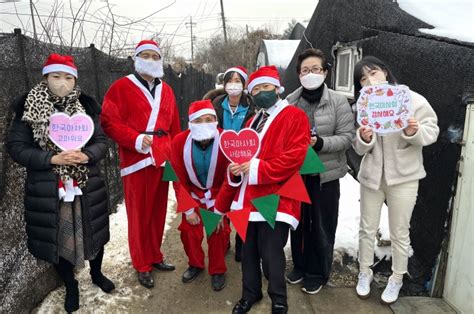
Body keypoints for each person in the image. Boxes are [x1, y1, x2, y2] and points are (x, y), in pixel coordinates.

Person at [6, 53, 115, 312]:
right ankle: (70, 284)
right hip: (49, 188)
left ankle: (96, 274)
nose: (62, 82)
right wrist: (51, 158)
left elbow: (101, 141)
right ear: (45, 76)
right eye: (56, 76)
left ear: (75, 79)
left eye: (68, 77)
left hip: (86, 185)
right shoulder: (27, 107)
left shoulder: (86, 106)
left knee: (94, 232)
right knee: (58, 238)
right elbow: (16, 147)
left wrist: (86, 155)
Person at [218, 65, 310, 314]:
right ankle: (250, 293)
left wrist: (257, 167)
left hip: (277, 197)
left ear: (277, 88)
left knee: (271, 253)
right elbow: (241, 155)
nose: (261, 92)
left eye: (265, 87)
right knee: (247, 252)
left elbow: (295, 157)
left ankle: (279, 299)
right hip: (248, 199)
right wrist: (236, 170)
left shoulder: (294, 116)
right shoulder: (252, 120)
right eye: (255, 89)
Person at [352, 56, 439, 304]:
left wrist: (413, 132)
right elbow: (358, 147)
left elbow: (432, 130)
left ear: (386, 73)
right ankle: (364, 271)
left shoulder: (411, 99)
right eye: (363, 78)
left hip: (404, 177)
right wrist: (364, 137)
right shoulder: (364, 105)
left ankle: (397, 277)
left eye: (374, 73)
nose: (370, 80)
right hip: (372, 177)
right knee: (367, 228)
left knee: (400, 231)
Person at [100, 40, 181, 288]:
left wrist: (177, 153)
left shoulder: (166, 89)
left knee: (158, 211)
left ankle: (155, 255)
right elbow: (109, 122)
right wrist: (135, 139)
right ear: (135, 59)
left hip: (162, 155)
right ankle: (142, 263)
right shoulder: (120, 87)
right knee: (139, 214)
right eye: (145, 55)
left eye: (155, 56)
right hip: (136, 158)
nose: (150, 60)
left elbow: (175, 123)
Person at [285, 48, 355, 294]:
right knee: (298, 222)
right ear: (299, 74)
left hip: (326, 175)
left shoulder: (338, 101)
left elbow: (348, 137)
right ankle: (300, 266)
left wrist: (321, 143)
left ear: (325, 72)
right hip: (296, 174)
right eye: (305, 70)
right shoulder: (290, 101)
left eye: (316, 69)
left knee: (322, 224)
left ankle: (318, 272)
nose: (310, 74)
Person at [170, 100, 232, 291]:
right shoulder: (179, 141)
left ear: (215, 120)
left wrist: (221, 208)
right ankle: (195, 264)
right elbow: (178, 177)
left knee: (217, 232)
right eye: (198, 120)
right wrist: (188, 209)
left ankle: (218, 269)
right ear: (190, 123)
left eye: (209, 119)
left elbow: (230, 177)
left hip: (218, 195)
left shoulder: (226, 139)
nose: (204, 124)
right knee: (188, 232)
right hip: (193, 196)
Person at [203, 66, 256, 262]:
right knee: (221, 202)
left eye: (238, 81)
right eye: (230, 81)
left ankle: (242, 242)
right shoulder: (214, 107)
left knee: (243, 203)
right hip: (219, 162)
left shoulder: (253, 108)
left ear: (244, 85)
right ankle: (223, 239)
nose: (234, 85)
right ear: (224, 85)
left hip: (244, 164)